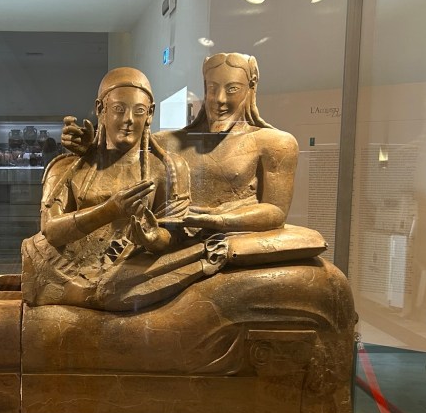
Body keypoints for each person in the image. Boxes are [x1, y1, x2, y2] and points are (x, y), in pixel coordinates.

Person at [62, 52, 323, 261]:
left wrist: (214, 220)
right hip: (171, 239)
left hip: (232, 237)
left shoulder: (276, 143)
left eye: (232, 89)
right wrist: (90, 148)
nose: (220, 99)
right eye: (212, 88)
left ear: (251, 87)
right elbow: (120, 155)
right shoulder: (169, 142)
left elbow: (275, 211)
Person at [22, 67, 230, 311]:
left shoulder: (168, 168)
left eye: (139, 110)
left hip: (130, 268)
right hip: (64, 267)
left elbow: (174, 234)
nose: (129, 119)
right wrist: (110, 210)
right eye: (119, 109)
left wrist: (154, 238)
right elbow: (51, 231)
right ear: (101, 109)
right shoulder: (67, 167)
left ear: (150, 114)